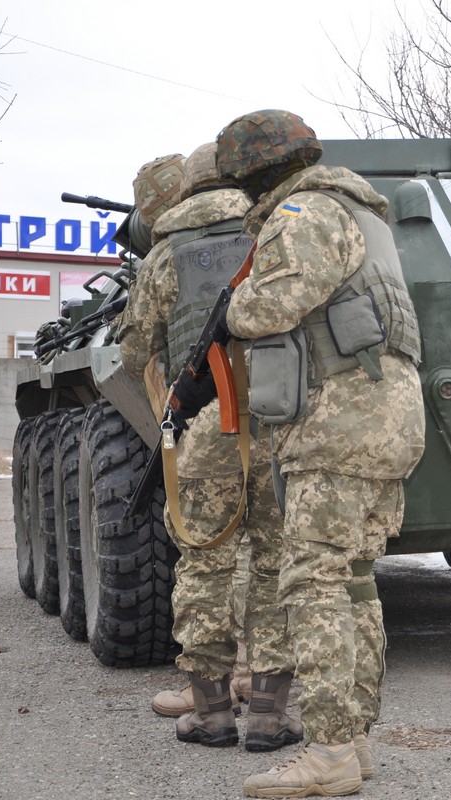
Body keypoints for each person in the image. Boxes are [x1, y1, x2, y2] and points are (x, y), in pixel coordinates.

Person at [215, 109, 426, 798]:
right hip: (385, 419)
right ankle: (354, 739)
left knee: (312, 582)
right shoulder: (364, 214)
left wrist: (233, 304)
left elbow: (267, 309)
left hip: (339, 423)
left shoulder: (304, 213)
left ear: (255, 172)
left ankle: (330, 749)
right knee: (355, 578)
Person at [116, 144, 300, 752]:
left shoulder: (165, 255)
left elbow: (134, 354)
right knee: (276, 565)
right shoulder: (274, 233)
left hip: (203, 432)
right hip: (279, 425)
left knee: (204, 566)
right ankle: (271, 717)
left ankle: (212, 713)